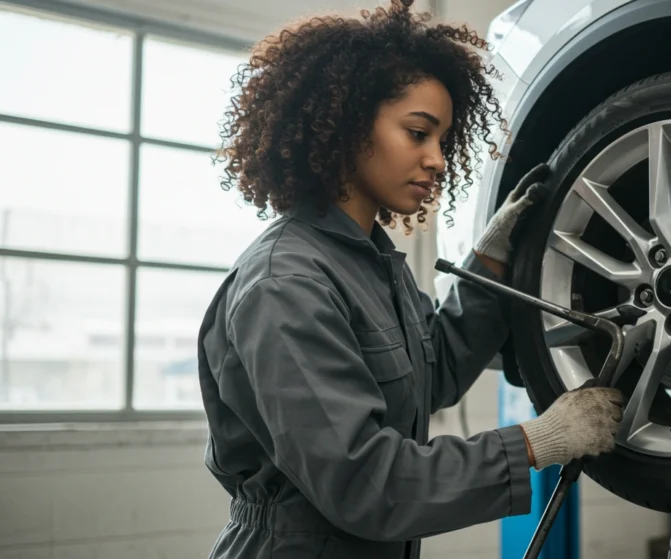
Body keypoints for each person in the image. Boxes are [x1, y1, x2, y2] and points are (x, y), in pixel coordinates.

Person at [196, 2, 626, 557]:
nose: (439, 160)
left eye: (443, 140)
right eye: (419, 133)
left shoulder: (372, 262)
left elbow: (435, 372)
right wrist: (536, 442)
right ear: (348, 124)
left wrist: (489, 265)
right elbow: (368, 485)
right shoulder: (286, 284)